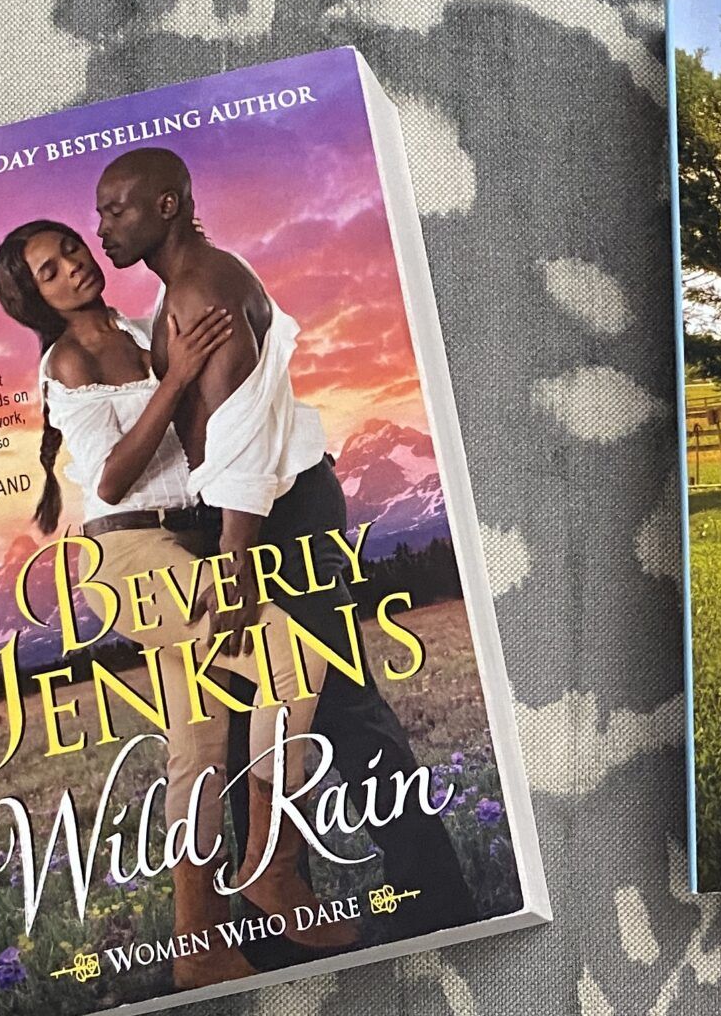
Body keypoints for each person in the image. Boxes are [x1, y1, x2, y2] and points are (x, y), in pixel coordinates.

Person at [92, 147, 478, 940]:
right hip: (243, 517)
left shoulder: (206, 291)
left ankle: (436, 898)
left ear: (167, 205)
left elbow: (240, 452)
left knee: (338, 699)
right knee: (243, 707)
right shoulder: (179, 294)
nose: (103, 229)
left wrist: (234, 572)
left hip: (278, 514)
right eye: (99, 213)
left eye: (116, 209)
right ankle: (271, 902)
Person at [0, 219, 354, 988]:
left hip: (179, 543)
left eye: (71, 251)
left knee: (197, 740)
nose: (73, 269)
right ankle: (272, 868)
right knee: (296, 657)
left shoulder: (136, 325)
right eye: (49, 271)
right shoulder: (67, 359)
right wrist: (178, 376)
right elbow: (114, 478)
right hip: (126, 554)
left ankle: (198, 944)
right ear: (34, 300)